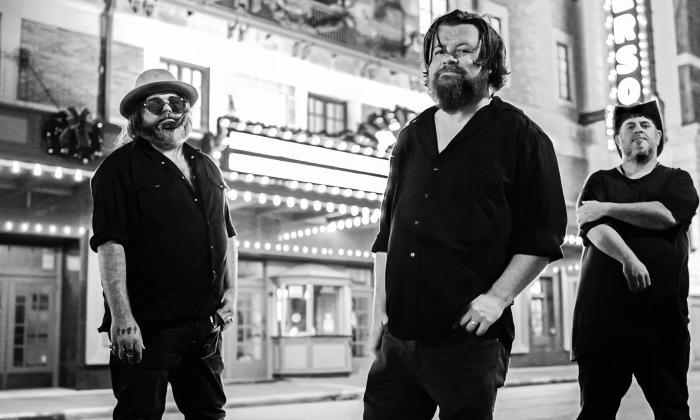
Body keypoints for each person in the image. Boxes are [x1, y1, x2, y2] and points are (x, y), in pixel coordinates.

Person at [363, 10, 567, 420]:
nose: (448, 59)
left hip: (470, 342)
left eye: (463, 50)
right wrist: (377, 315)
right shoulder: (411, 136)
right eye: (439, 51)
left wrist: (496, 300)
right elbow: (388, 234)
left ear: (488, 62)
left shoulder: (523, 136)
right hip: (399, 340)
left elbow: (543, 237)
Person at [90, 68, 238, 420]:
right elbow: (110, 246)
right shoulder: (117, 169)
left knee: (210, 414)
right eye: (155, 104)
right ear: (137, 115)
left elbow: (228, 236)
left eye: (177, 102)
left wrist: (232, 292)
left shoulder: (208, 167)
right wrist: (123, 318)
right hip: (147, 328)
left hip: (204, 327)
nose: (168, 110)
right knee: (138, 415)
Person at [573, 99, 698, 420]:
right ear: (617, 142)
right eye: (629, 127)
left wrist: (608, 208)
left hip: (662, 323)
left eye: (645, 126)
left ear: (659, 137)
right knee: (595, 413)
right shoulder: (599, 181)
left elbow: (666, 215)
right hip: (602, 324)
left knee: (672, 412)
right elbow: (594, 228)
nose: (638, 130)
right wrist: (629, 259)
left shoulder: (677, 180)